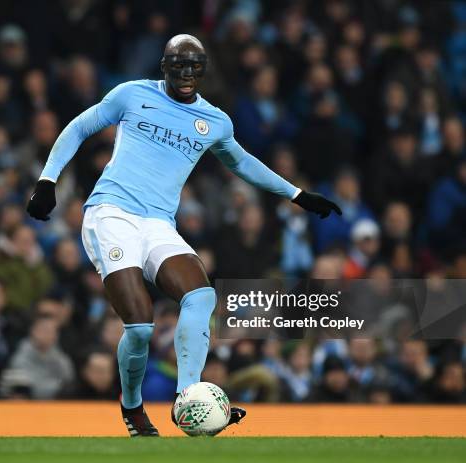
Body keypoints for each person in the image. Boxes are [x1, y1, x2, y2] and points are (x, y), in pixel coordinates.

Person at [26, 34, 341, 437]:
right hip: (111, 213)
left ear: (203, 70)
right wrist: (47, 180)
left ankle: (186, 398)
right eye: (179, 66)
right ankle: (133, 407)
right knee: (140, 327)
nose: (187, 74)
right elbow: (78, 127)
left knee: (201, 295)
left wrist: (296, 194)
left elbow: (243, 163)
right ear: (164, 67)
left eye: (194, 66)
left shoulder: (215, 121)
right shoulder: (131, 94)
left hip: (159, 223)